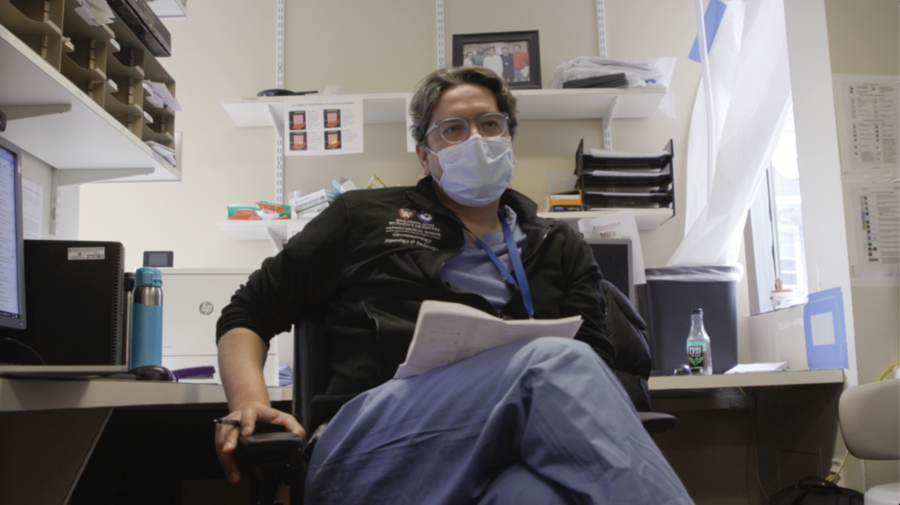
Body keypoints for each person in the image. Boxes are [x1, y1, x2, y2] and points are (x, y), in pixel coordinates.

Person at [214, 66, 693, 504]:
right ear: (425, 155)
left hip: (500, 447)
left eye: (490, 124)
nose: (476, 139)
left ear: (509, 139)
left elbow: (595, 371)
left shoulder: (560, 243)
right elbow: (247, 313)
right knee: (552, 363)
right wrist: (250, 403)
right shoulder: (360, 217)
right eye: (453, 129)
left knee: (537, 496)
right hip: (374, 444)